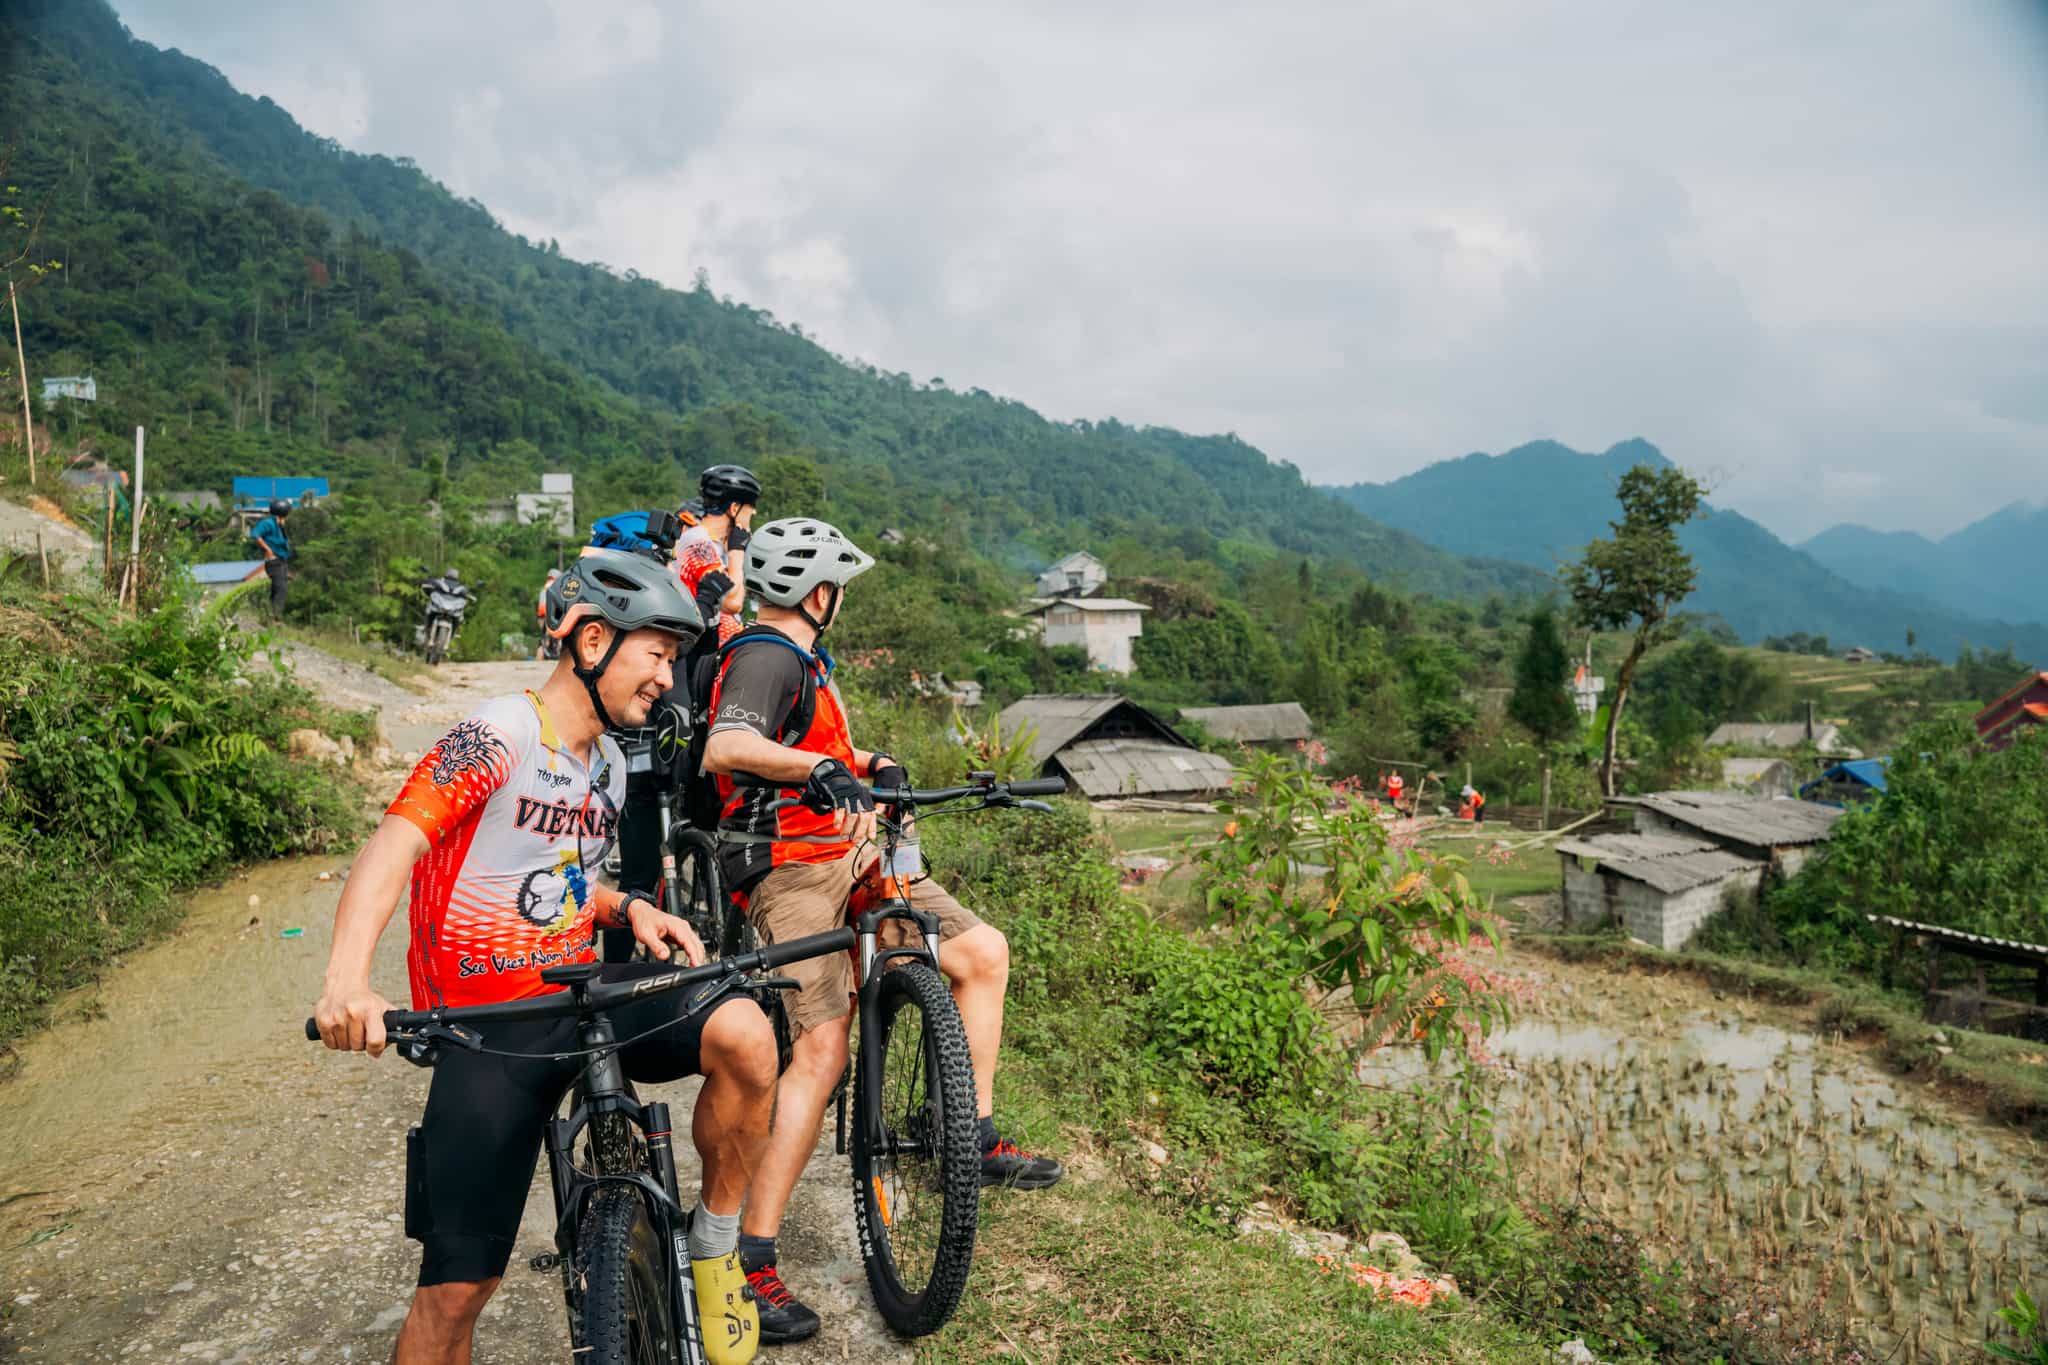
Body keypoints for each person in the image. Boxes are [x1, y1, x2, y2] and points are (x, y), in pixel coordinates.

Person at [310, 550, 770, 1365]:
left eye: (674, 659)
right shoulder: (499, 732)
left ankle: (716, 1245)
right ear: (593, 641)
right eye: (658, 654)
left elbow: (562, 880)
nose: (670, 677)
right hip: (492, 1023)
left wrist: (627, 906)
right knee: (453, 1296)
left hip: (584, 994)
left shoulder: (606, 767)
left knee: (745, 1030)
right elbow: (394, 845)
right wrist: (347, 979)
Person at [701, 517, 1062, 1345]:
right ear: (816, 591)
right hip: (790, 866)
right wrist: (819, 769)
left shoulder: (811, 666)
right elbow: (728, 745)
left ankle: (966, 1140)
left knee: (979, 951)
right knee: (823, 1047)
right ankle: (752, 1255)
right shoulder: (766, 653)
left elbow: (819, 746)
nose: (840, 601)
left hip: (853, 848)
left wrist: (867, 762)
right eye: (838, 587)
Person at [676, 464, 761, 646]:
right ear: (734, 508)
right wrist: (737, 551)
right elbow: (732, 602)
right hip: (691, 653)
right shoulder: (698, 542)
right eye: (750, 507)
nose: (754, 513)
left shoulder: (712, 543)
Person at [249, 499, 293, 617]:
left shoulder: (279, 525)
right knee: (280, 589)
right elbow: (255, 535)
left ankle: (271, 615)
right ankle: (275, 617)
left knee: (278, 589)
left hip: (282, 561)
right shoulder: (268, 523)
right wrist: (268, 550)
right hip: (274, 560)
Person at [535, 568, 562, 659]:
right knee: (557, 635)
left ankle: (540, 658)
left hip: (541, 615)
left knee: (543, 637)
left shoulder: (544, 587)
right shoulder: (557, 586)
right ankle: (557, 654)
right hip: (551, 613)